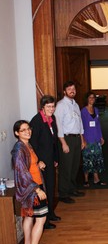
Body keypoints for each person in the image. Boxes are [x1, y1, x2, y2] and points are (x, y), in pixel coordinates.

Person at [11, 120, 50, 244]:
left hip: (31, 187)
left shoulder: (26, 145)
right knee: (41, 219)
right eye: (23, 130)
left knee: (29, 217)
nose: (27, 131)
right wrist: (37, 190)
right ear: (17, 133)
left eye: (28, 129)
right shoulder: (19, 150)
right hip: (32, 189)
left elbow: (30, 164)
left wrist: (38, 163)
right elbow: (23, 173)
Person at [30, 95, 60, 230]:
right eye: (49, 106)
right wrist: (38, 161)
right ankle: (45, 221)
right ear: (42, 107)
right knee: (44, 189)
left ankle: (51, 213)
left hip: (50, 159)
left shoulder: (51, 119)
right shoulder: (36, 121)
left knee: (51, 186)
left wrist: (55, 158)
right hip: (41, 162)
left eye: (53, 106)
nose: (51, 109)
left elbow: (54, 142)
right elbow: (33, 144)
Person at [54, 81, 86, 203]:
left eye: (73, 88)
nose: (72, 90)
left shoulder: (76, 105)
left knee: (74, 166)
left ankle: (72, 189)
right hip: (66, 139)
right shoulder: (61, 105)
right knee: (66, 167)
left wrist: (82, 139)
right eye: (69, 89)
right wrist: (63, 143)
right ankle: (63, 194)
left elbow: (80, 123)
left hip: (77, 138)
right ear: (64, 91)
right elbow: (58, 125)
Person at [81, 91, 106, 187]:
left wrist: (101, 136)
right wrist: (83, 140)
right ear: (87, 99)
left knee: (97, 159)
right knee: (87, 159)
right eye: (90, 97)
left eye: (93, 98)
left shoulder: (96, 109)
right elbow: (81, 126)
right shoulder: (83, 111)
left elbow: (98, 124)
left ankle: (96, 179)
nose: (92, 99)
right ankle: (86, 180)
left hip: (96, 138)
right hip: (87, 139)